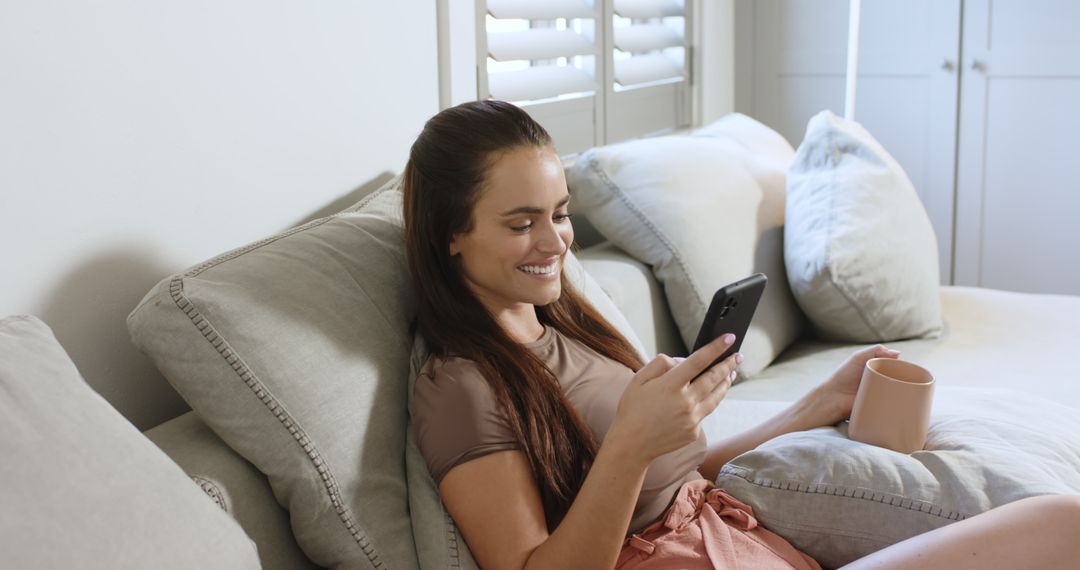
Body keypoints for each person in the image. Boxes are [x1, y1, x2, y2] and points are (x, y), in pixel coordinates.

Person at [402, 100, 1080, 569]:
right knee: (1061, 527)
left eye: (560, 214)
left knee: (1056, 527)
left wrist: (814, 405)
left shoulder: (565, 324)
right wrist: (631, 444)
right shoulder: (461, 385)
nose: (555, 242)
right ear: (450, 233)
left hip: (742, 541)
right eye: (522, 224)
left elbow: (681, 479)